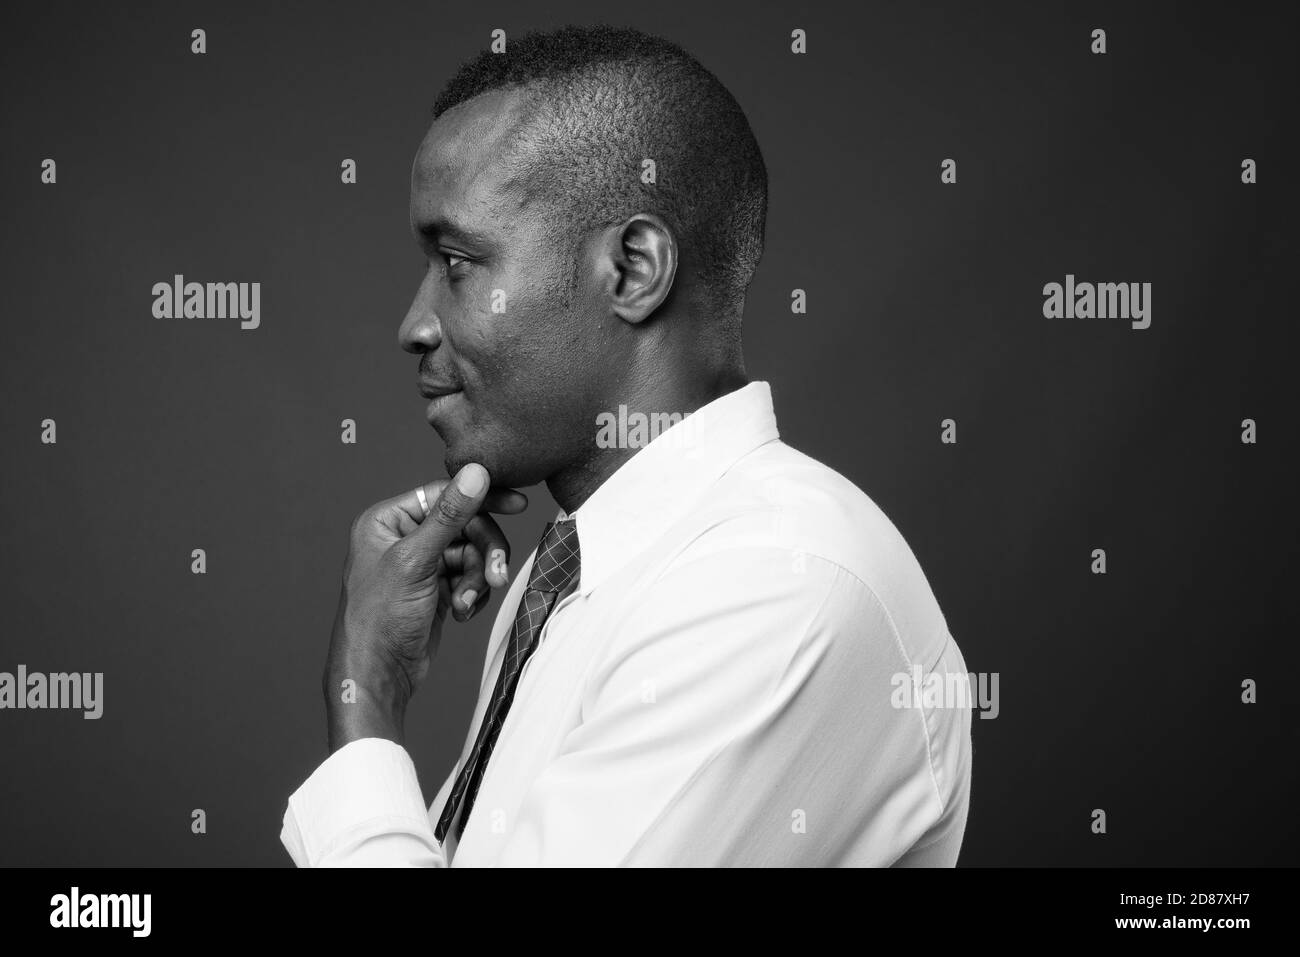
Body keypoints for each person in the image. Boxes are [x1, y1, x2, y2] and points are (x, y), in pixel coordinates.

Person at [280, 23, 972, 867]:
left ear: (635, 268)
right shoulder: (571, 571)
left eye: (458, 261)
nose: (414, 323)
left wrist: (367, 699)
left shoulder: (775, 583)